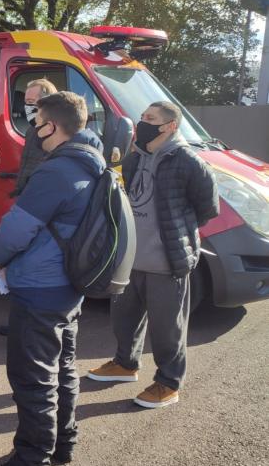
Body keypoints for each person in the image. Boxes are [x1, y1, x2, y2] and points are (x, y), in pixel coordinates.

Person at [0, 92, 104, 466]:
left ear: (52, 125)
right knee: (62, 367)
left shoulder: (58, 170)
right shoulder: (95, 160)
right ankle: (62, 443)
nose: (33, 129)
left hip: (40, 284)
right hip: (70, 283)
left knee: (32, 376)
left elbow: (19, 226)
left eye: (36, 121)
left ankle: (30, 464)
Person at [87, 101, 218, 408]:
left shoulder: (187, 161)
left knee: (167, 329)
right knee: (124, 319)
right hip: (131, 259)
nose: (141, 122)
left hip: (165, 262)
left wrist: (176, 231)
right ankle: (125, 364)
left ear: (171, 126)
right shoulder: (135, 157)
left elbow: (208, 207)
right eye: (142, 116)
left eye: (150, 119)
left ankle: (168, 383)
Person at [0, 79, 59, 338]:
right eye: (26, 102)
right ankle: (20, 321)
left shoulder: (51, 133)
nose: (27, 107)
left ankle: (29, 326)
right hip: (25, 199)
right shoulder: (34, 129)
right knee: (20, 266)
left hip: (39, 208)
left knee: (33, 266)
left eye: (33, 103)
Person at [13, 78, 58, 197]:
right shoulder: (31, 130)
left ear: (47, 102)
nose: (27, 106)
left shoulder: (57, 132)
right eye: (26, 102)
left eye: (31, 101)